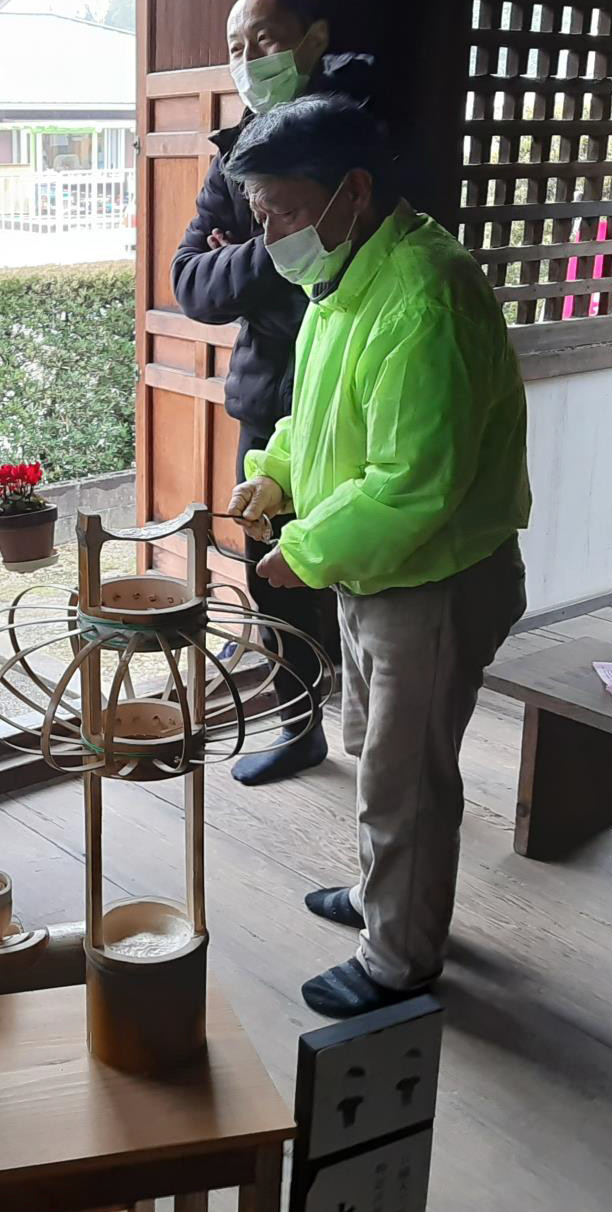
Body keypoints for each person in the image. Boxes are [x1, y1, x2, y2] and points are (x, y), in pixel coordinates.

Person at [225, 94, 531, 1019]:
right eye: (260, 211)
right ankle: (381, 896)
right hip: (379, 570)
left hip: (431, 580)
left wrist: (304, 549)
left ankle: (399, 957)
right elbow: (314, 419)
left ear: (351, 191)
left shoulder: (426, 293)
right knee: (376, 752)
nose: (269, 231)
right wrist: (273, 475)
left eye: (281, 209)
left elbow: (413, 484)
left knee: (407, 774)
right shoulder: (348, 277)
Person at [171, 0, 371, 785]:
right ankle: (299, 722)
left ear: (314, 38)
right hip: (269, 399)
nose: (248, 60)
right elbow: (192, 285)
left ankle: (374, 728)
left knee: (358, 562)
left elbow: (357, 252)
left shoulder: (360, 127)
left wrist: (252, 245)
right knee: (271, 569)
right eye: (235, 48)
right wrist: (282, 244)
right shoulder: (236, 148)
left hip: (355, 389)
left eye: (264, 39)